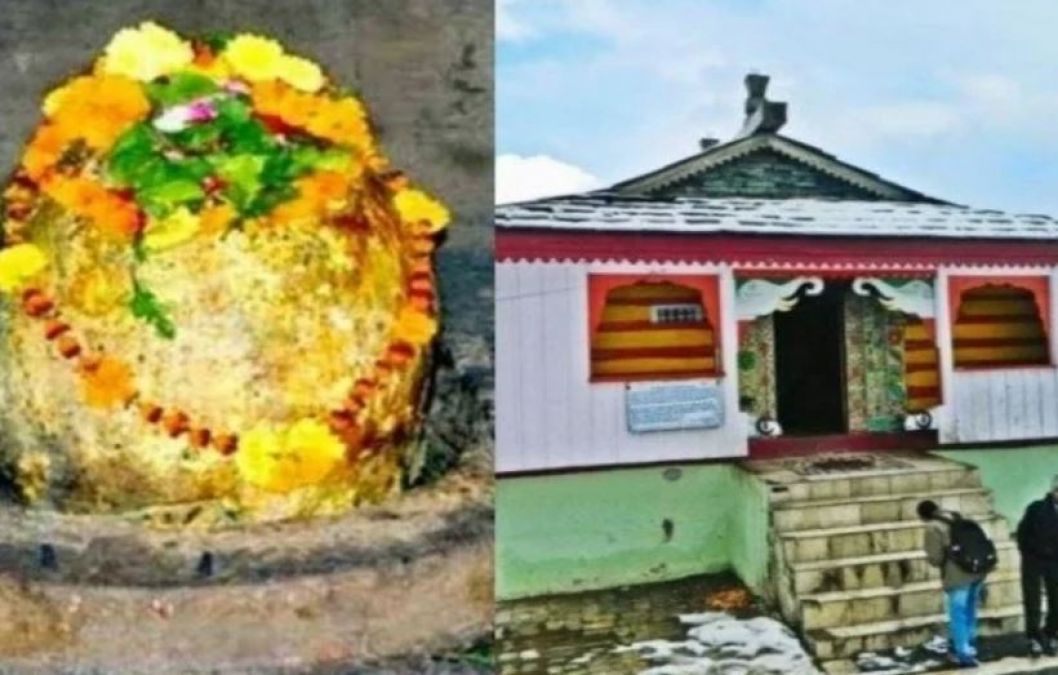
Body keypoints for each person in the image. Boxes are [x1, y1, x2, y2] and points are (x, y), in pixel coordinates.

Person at [919, 499, 986, 668]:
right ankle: (970, 645)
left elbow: (936, 558)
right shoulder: (956, 517)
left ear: (922, 516)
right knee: (971, 609)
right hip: (976, 570)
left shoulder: (932, 527)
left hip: (957, 575)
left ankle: (962, 653)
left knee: (958, 613)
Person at [1016, 475, 1058, 657]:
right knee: (1033, 599)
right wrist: (1029, 552)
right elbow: (1022, 533)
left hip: (1055, 560)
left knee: (1056, 598)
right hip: (1034, 559)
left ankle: (1052, 631)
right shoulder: (1036, 508)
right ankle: (1034, 636)